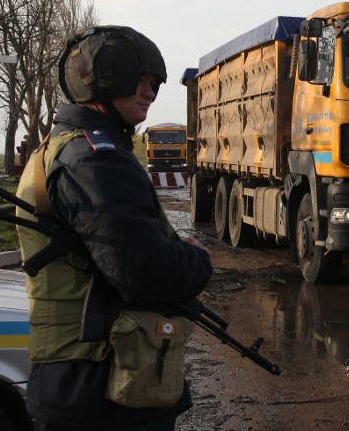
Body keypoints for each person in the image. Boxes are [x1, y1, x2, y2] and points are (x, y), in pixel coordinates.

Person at [14, 26, 212, 430]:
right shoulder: (94, 160)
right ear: (101, 80)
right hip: (99, 388)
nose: (151, 91)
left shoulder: (65, 147)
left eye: (155, 82)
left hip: (82, 380)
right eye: (139, 79)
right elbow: (143, 271)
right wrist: (196, 259)